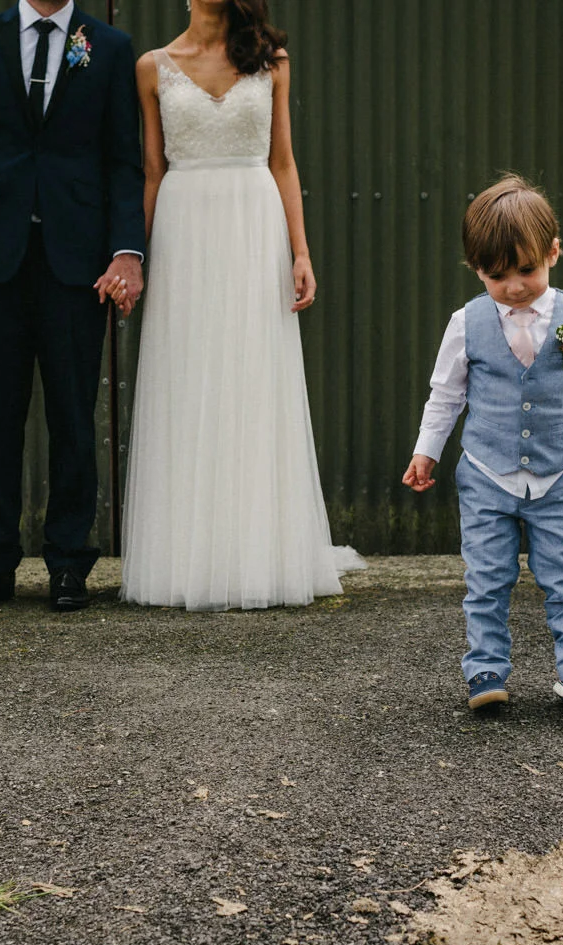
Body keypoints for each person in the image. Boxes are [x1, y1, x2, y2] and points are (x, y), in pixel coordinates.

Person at [118, 0, 363, 611]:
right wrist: (136, 257)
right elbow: (152, 171)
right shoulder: (152, 67)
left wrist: (300, 252)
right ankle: (186, 558)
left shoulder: (271, 61)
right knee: (188, 381)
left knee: (252, 379)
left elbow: (282, 162)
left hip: (255, 226)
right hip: (183, 231)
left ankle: (258, 554)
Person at [402, 175, 563, 720]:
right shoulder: (466, 323)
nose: (514, 287)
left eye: (527, 270)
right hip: (486, 475)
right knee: (487, 579)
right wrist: (426, 451)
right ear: (475, 269)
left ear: (553, 252)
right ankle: (486, 671)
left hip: (559, 477)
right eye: (497, 276)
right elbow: (445, 395)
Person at [0, 0, 145, 613]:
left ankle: (69, 564)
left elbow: (123, 162)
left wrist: (127, 252)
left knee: (73, 418)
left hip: (76, 266)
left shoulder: (108, 47)